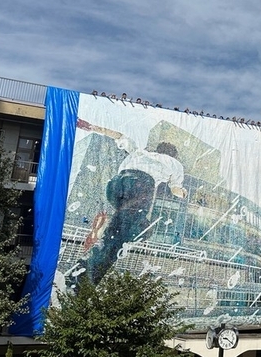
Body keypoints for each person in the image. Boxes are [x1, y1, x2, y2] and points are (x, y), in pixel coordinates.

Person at [70, 123, 188, 287]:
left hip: (116, 186)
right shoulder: (175, 163)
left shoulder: (141, 152)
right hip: (139, 187)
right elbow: (175, 190)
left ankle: (91, 261)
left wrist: (93, 127)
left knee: (121, 229)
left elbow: (119, 136)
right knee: (121, 237)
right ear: (173, 155)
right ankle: (83, 276)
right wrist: (183, 193)